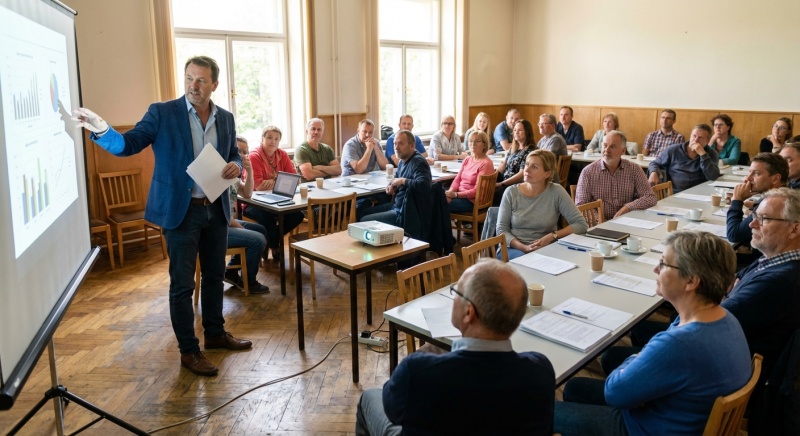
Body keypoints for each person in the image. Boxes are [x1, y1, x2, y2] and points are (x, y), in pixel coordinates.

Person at [73, 56, 251, 377]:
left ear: (215, 85)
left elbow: (233, 154)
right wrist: (102, 131)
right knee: (182, 286)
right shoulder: (162, 113)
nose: (193, 86)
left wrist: (236, 165)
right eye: (189, 79)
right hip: (180, 212)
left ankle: (214, 333)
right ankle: (189, 351)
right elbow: (128, 145)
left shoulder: (224, 118)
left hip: (216, 209)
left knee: (214, 277)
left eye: (201, 81)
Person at [554, 231, 751, 435]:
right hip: (683, 416)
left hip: (646, 428)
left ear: (691, 281)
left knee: (546, 412)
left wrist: (635, 358)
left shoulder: (679, 344)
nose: (655, 268)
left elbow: (613, 393)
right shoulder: (725, 318)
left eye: (664, 264)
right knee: (575, 387)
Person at [355, 258, 556, 436]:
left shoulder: (418, 371)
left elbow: (393, 410)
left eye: (456, 292)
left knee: (370, 397)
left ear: (469, 312)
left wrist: (427, 354)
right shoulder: (541, 372)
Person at [497, 150, 588, 260]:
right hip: (513, 248)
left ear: (547, 173)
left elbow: (581, 224)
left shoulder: (556, 191)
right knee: (529, 263)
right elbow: (501, 230)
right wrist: (524, 247)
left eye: (534, 167)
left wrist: (553, 235)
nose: (527, 170)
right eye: (526, 164)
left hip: (546, 248)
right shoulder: (511, 192)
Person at [245, 126, 305, 260]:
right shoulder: (254, 156)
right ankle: (276, 246)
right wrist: (279, 179)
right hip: (253, 202)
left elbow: (293, 178)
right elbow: (259, 186)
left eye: (277, 139)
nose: (273, 141)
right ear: (262, 139)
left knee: (298, 215)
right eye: (269, 138)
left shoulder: (282, 154)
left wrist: (272, 180)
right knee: (267, 218)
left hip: (277, 199)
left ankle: (270, 240)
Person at [224, 136, 270, 294]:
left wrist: (248, 171)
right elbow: (223, 216)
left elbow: (248, 193)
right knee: (258, 239)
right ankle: (248, 281)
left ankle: (231, 270)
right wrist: (242, 229)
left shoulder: (235, 176)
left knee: (262, 230)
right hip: (217, 227)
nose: (243, 155)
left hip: (228, 222)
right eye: (239, 151)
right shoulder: (222, 173)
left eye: (246, 152)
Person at [575, 130, 656, 220]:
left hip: (626, 221)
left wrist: (627, 208)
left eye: (612, 147)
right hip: (598, 225)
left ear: (623, 150)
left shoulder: (634, 169)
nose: (607, 150)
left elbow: (650, 197)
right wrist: (601, 221)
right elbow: (581, 205)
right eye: (604, 146)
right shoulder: (588, 172)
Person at [360, 130, 432, 226]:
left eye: (401, 144)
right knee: (362, 212)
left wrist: (402, 181)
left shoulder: (418, 162)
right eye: (395, 144)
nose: (396, 148)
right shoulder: (402, 160)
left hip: (406, 212)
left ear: (412, 145)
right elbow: (396, 178)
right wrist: (391, 186)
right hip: (396, 205)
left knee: (364, 221)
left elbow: (424, 185)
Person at [727, 152, 788, 246]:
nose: (748, 178)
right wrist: (754, 204)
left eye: (756, 174)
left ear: (775, 179)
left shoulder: (773, 202)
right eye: (749, 172)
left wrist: (736, 201)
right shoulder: (785, 193)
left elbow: (734, 235)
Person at [647, 124, 720, 193]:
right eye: (694, 136)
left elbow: (713, 176)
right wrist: (654, 172)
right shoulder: (674, 149)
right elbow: (655, 163)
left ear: (707, 141)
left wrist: (703, 154)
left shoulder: (711, 153)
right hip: (674, 193)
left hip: (699, 194)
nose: (696, 140)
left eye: (700, 138)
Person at [342, 119, 392, 219]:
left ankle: (378, 221)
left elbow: (384, 166)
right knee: (363, 203)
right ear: (358, 131)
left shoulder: (375, 143)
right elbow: (359, 169)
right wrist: (369, 149)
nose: (367, 135)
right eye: (364, 131)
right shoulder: (350, 145)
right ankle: (361, 220)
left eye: (370, 132)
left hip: (369, 183)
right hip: (351, 185)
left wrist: (376, 148)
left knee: (388, 195)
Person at [445, 131, 496, 213]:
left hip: (472, 201)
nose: (473, 144)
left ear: (484, 144)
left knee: (438, 203)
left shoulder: (486, 163)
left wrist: (455, 195)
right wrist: (450, 192)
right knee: (437, 196)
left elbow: (477, 191)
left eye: (477, 141)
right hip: (460, 195)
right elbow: (457, 179)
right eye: (471, 141)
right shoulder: (467, 159)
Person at [493, 119, 537, 205]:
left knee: (495, 193)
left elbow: (522, 174)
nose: (516, 132)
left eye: (520, 130)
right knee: (484, 188)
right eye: (515, 130)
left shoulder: (530, 151)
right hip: (505, 180)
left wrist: (502, 184)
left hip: (516, 185)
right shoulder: (513, 148)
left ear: (527, 132)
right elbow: (503, 167)